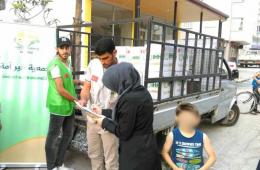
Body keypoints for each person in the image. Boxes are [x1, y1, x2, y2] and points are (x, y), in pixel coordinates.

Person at [92, 62, 162, 170]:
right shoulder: (141, 91)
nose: (114, 89)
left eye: (113, 85)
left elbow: (123, 132)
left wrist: (103, 122)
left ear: (120, 80)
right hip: (148, 147)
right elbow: (126, 115)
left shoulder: (129, 99)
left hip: (135, 154)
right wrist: (102, 111)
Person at [79, 38, 119, 170]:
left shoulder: (122, 71)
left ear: (114, 53)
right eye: (100, 58)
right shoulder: (93, 64)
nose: (103, 62)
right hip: (92, 117)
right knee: (94, 154)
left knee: (111, 159)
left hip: (110, 119)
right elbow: (86, 86)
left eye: (106, 58)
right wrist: (83, 99)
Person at [45, 37, 77, 170]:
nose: (65, 50)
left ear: (70, 48)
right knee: (53, 137)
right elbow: (60, 89)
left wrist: (79, 82)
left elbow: (67, 82)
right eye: (62, 47)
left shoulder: (67, 62)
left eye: (67, 47)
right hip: (58, 105)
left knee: (68, 134)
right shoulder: (54, 65)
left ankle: (59, 164)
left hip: (68, 105)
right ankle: (51, 167)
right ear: (57, 49)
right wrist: (76, 100)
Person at [161, 103, 216, 170]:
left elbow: (212, 157)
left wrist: (203, 168)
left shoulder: (203, 137)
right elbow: (164, 152)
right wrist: (175, 167)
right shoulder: (172, 135)